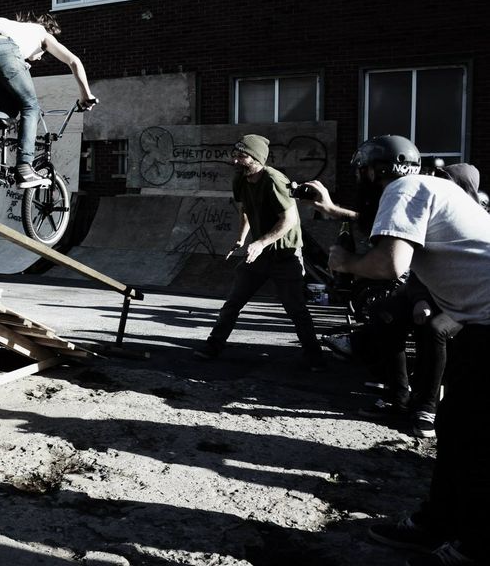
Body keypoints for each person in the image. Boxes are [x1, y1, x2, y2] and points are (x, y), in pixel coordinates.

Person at [327, 135, 490, 566]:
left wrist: (346, 263)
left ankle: (472, 545)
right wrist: (330, 211)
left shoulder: (404, 188)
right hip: (478, 323)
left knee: (474, 439)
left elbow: (390, 263)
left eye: (362, 172)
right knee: (457, 429)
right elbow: (387, 229)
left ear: (374, 171)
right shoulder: (430, 186)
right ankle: (437, 523)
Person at [193, 134, 326, 369]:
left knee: (296, 309)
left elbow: (289, 220)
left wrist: (261, 242)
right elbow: (245, 209)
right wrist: (241, 238)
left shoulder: (274, 180)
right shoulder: (241, 179)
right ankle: (213, 345)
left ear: (256, 159)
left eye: (241, 156)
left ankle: (314, 356)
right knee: (233, 302)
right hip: (259, 254)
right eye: (234, 155)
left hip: (285, 254)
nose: (235, 161)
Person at [0, 12, 98, 189]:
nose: (39, 57)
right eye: (42, 54)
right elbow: (74, 61)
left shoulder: (17, 29)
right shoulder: (42, 33)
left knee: (8, 107)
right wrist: (86, 95)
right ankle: (25, 167)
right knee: (31, 106)